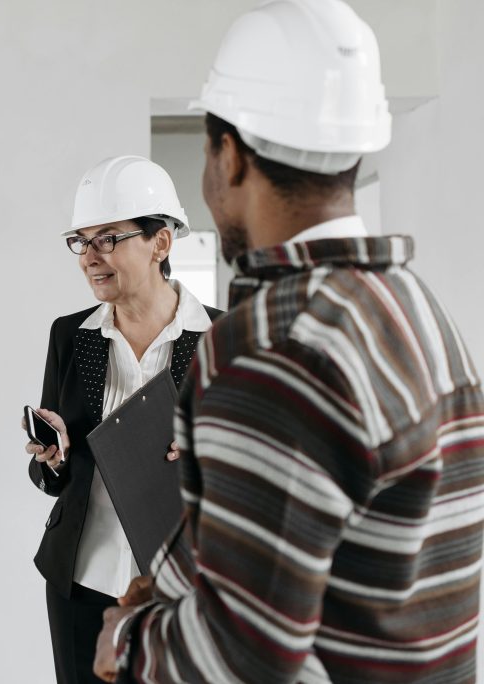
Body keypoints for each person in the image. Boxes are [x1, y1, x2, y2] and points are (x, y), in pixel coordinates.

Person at [94, 1, 484, 682]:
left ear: (230, 156)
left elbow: (242, 659)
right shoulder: (418, 308)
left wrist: (130, 641)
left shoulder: (272, 345)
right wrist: (180, 582)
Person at [24, 155, 221, 684]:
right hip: (83, 578)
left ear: (161, 243)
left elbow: (261, 474)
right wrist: (52, 457)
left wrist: (209, 458)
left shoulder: (225, 340)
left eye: (108, 238)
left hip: (188, 583)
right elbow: (52, 480)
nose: (90, 257)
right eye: (81, 241)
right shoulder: (70, 335)